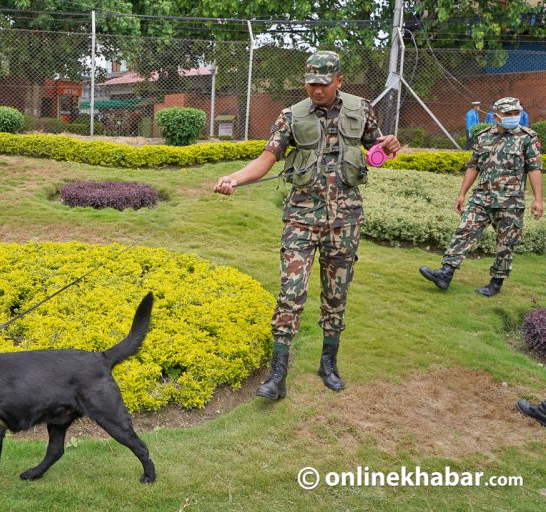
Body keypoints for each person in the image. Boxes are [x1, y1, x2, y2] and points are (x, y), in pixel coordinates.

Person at [213, 51, 400, 396]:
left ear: (339, 80)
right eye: (311, 82)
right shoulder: (291, 116)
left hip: (345, 220)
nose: (317, 89)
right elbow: (267, 158)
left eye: (324, 84)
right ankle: (278, 375)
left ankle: (329, 363)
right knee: (290, 293)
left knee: (336, 296)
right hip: (301, 218)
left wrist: (388, 146)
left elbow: (378, 151)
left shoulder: (361, 109)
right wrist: (235, 179)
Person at [419, 97, 543, 296]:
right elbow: (473, 166)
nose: (514, 117)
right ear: (496, 116)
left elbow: (535, 169)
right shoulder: (484, 136)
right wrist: (462, 194)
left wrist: (538, 200)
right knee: (464, 230)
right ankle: (446, 273)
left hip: (510, 202)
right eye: (508, 114)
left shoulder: (527, 137)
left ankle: (496, 283)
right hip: (482, 198)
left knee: (505, 244)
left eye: (516, 113)